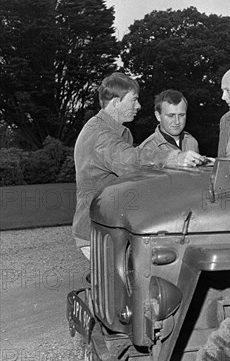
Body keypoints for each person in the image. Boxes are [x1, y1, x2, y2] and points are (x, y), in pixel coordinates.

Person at [72, 72, 204, 259]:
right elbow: (129, 160)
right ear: (116, 103)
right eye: (133, 100)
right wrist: (173, 158)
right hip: (98, 228)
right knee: (120, 285)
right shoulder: (100, 133)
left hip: (109, 224)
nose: (139, 106)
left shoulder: (115, 130)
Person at [139, 89, 202, 155]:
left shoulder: (191, 141)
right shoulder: (146, 149)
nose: (177, 121)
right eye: (171, 115)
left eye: (181, 115)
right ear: (158, 116)